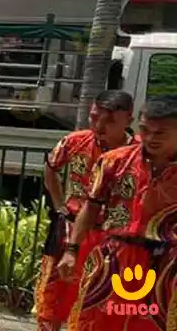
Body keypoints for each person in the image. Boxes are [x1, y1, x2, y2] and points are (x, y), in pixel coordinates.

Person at [64, 95, 177, 331]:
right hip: (113, 257)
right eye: (145, 130)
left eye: (161, 133)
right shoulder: (115, 161)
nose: (150, 138)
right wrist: (71, 250)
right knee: (95, 322)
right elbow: (91, 206)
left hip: (165, 264)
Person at [33, 90, 135, 331]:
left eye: (109, 121)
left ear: (128, 121)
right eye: (94, 117)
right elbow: (50, 168)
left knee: (100, 302)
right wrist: (59, 205)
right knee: (56, 295)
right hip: (71, 229)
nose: (99, 126)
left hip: (110, 239)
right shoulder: (75, 141)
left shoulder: (138, 153)